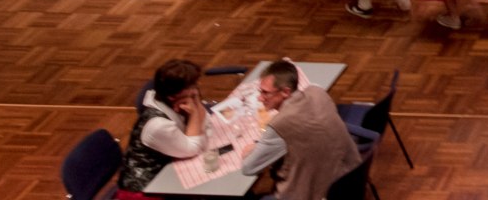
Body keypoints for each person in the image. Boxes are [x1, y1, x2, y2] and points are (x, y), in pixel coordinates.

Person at [239, 60, 362, 200]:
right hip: (350, 178)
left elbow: (249, 168)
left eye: (266, 93)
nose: (260, 98)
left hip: (316, 193)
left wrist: (252, 150)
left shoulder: (280, 125)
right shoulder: (317, 92)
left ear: (285, 91)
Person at [118, 59, 215, 192]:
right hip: (148, 187)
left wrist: (195, 100)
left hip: (170, 168)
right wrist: (194, 115)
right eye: (191, 87)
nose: (195, 90)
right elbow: (193, 148)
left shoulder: (174, 100)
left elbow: (206, 122)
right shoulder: (158, 125)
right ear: (173, 96)